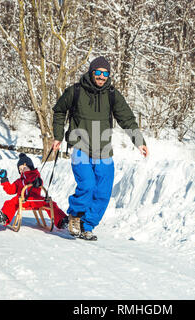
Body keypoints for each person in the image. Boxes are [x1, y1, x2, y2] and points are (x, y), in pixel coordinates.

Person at [51, 56, 148, 241]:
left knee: (103, 191)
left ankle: (87, 226)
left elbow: (126, 118)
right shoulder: (75, 91)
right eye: (99, 72)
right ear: (91, 72)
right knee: (87, 184)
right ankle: (75, 216)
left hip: (103, 149)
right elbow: (59, 111)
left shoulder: (112, 95)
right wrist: (57, 136)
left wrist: (139, 141)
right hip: (80, 145)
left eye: (106, 73)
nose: (102, 77)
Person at [0, 153, 69, 229]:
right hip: (22, 200)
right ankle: (4, 217)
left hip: (35, 199)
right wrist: (4, 179)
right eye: (20, 169)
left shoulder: (34, 176)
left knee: (51, 203)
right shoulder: (19, 181)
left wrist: (37, 181)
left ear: (30, 167)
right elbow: (10, 190)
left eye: (24, 168)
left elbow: (39, 181)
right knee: (11, 203)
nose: (22, 170)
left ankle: (62, 220)